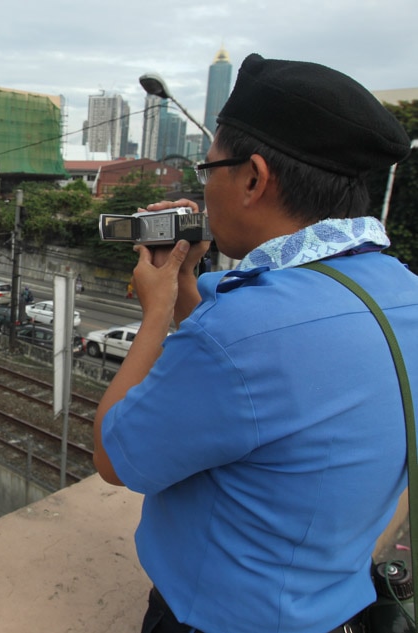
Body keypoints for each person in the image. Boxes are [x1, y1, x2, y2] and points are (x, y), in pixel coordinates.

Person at [92, 54, 416, 633]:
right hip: (340, 606)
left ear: (253, 178)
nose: (206, 184)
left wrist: (157, 310)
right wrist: (187, 282)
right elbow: (254, 384)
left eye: (208, 167)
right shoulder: (403, 292)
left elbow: (115, 458)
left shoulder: (244, 333)